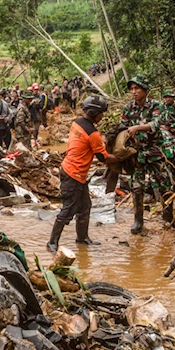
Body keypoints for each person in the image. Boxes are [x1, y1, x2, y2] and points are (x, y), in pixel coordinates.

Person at [47, 96, 119, 252]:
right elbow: (103, 158)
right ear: (94, 113)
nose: (102, 117)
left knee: (85, 207)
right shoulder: (93, 133)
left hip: (72, 171)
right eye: (101, 114)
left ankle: (82, 238)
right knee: (68, 210)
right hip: (74, 174)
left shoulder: (77, 123)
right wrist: (121, 157)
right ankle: (52, 242)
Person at [119, 75, 170, 234]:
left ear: (145, 91)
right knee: (137, 187)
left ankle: (169, 217)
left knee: (164, 184)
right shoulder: (128, 107)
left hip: (155, 150)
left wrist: (137, 128)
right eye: (132, 89)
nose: (133, 92)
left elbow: (156, 124)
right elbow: (122, 125)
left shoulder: (156, 105)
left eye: (137, 88)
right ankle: (138, 221)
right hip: (137, 153)